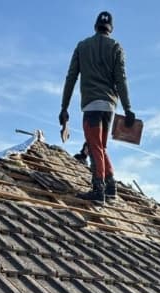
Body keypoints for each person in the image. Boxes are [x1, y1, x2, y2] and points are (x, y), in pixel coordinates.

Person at [59, 11, 135, 204]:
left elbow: (71, 78)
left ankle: (98, 189)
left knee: (94, 147)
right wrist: (127, 109)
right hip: (110, 106)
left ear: (95, 26)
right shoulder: (116, 47)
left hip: (92, 105)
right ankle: (111, 187)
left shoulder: (82, 46)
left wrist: (64, 107)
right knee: (100, 146)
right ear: (111, 29)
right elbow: (121, 80)